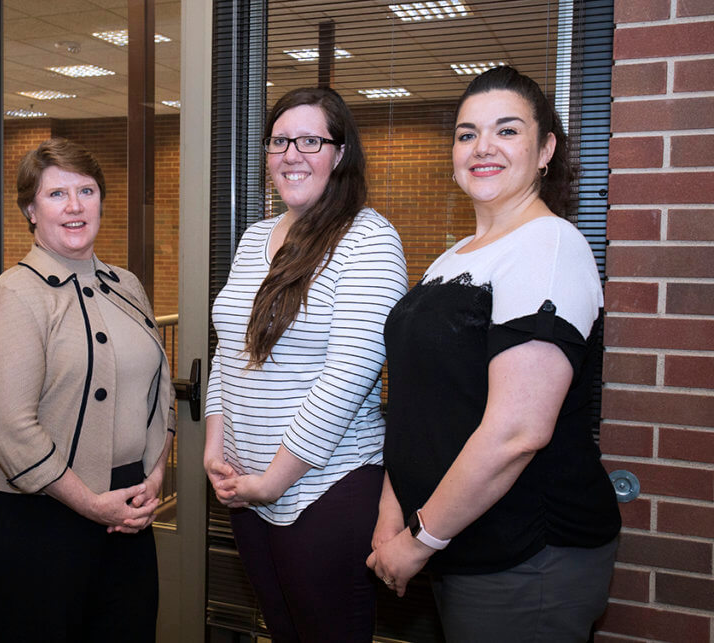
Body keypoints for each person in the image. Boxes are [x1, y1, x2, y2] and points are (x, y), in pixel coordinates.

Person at [368, 65, 621, 641]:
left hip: (527, 556)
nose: (482, 147)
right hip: (452, 540)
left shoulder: (549, 245)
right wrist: (394, 512)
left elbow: (517, 432)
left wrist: (419, 539)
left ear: (545, 149)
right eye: (466, 134)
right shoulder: (456, 256)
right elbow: (417, 404)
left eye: (507, 131)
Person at [204, 87, 408, 642]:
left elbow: (350, 375)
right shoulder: (254, 238)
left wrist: (272, 481)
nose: (291, 153)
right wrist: (215, 448)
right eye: (279, 141)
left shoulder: (368, 239)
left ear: (339, 154)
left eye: (310, 140)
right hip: (248, 490)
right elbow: (229, 348)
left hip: (324, 489)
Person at [0, 137, 175, 643]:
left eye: (86, 191)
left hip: (128, 507)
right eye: (56, 194)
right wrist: (89, 503)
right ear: (30, 210)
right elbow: (10, 429)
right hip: (39, 517)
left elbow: (161, 393)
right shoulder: (14, 295)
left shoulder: (127, 284)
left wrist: (154, 476)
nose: (74, 206)